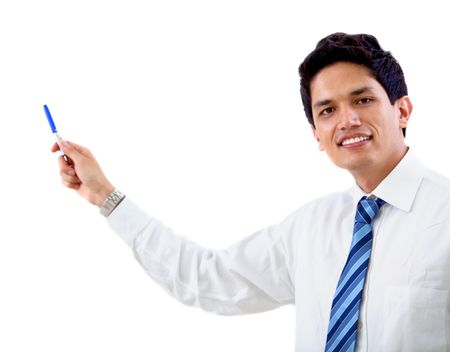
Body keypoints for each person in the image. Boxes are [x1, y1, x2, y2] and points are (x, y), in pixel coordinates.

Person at [52, 33, 450, 351]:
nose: (346, 120)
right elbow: (206, 279)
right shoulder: (310, 228)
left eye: (362, 100)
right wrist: (106, 196)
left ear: (402, 110)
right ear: (316, 134)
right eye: (327, 110)